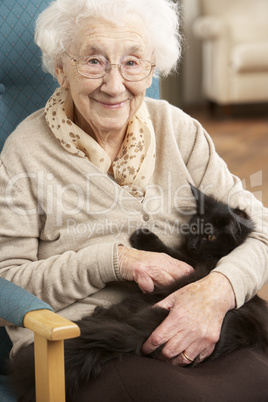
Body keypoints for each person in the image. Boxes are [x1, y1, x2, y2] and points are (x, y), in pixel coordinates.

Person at [0, 0, 268, 400]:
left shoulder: (178, 130)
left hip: (200, 321)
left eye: (132, 62)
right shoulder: (24, 152)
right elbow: (8, 278)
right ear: (60, 68)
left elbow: (258, 229)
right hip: (87, 345)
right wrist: (116, 261)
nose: (113, 84)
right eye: (93, 61)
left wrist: (217, 293)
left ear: (152, 68)